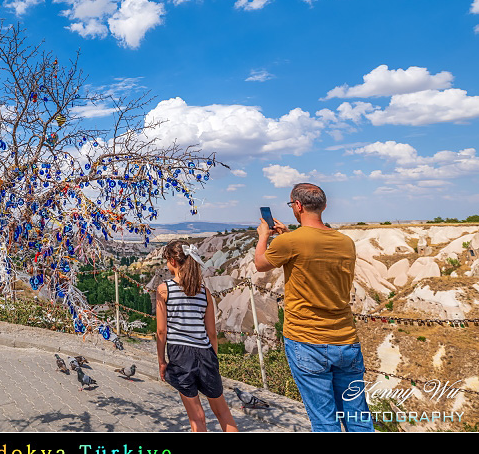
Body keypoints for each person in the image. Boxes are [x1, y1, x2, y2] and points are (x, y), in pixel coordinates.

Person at [254, 183, 374, 432]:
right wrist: (286, 234)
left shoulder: (291, 242)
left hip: (306, 341)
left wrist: (264, 235)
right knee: (358, 418)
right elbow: (311, 250)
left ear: (297, 206)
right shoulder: (345, 242)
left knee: (324, 421)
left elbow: (260, 264)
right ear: (324, 206)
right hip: (346, 340)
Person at [156, 239, 238, 432]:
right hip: (205, 353)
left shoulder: (164, 289)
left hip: (181, 355)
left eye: (167, 260)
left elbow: (161, 331)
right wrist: (213, 358)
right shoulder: (204, 292)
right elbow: (211, 333)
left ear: (173, 262)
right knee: (223, 412)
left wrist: (161, 361)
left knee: (197, 418)